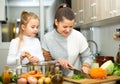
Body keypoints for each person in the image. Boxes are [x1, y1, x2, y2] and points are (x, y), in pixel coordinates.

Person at [42, 3, 93, 76]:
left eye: (71, 26)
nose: (68, 30)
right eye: (65, 27)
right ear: (56, 22)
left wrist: (86, 66)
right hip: (56, 79)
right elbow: (46, 62)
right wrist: (57, 62)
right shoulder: (47, 38)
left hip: (76, 78)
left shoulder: (78, 36)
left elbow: (87, 56)